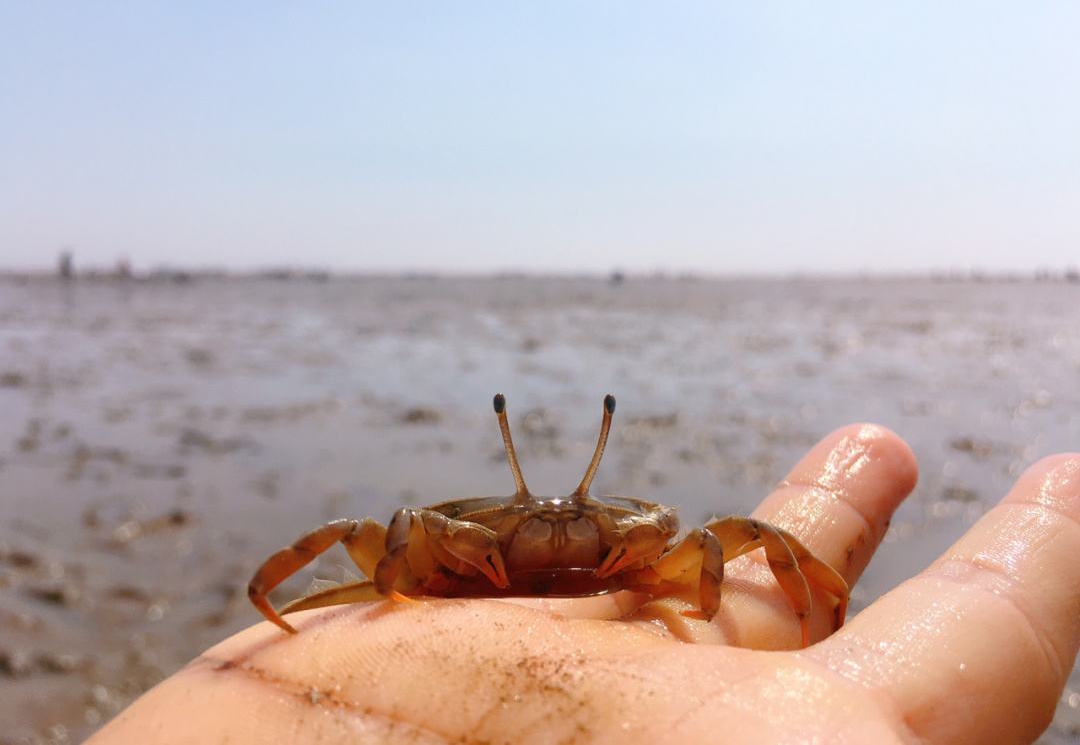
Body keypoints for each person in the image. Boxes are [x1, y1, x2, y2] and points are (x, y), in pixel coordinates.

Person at [88, 425, 1080, 744]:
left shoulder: (654, 542)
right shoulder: (430, 545)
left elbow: (723, 551)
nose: (548, 536)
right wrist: (278, 641)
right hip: (445, 578)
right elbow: (380, 549)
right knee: (353, 548)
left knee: (756, 533)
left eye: (578, 520)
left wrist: (751, 602)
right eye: (520, 525)